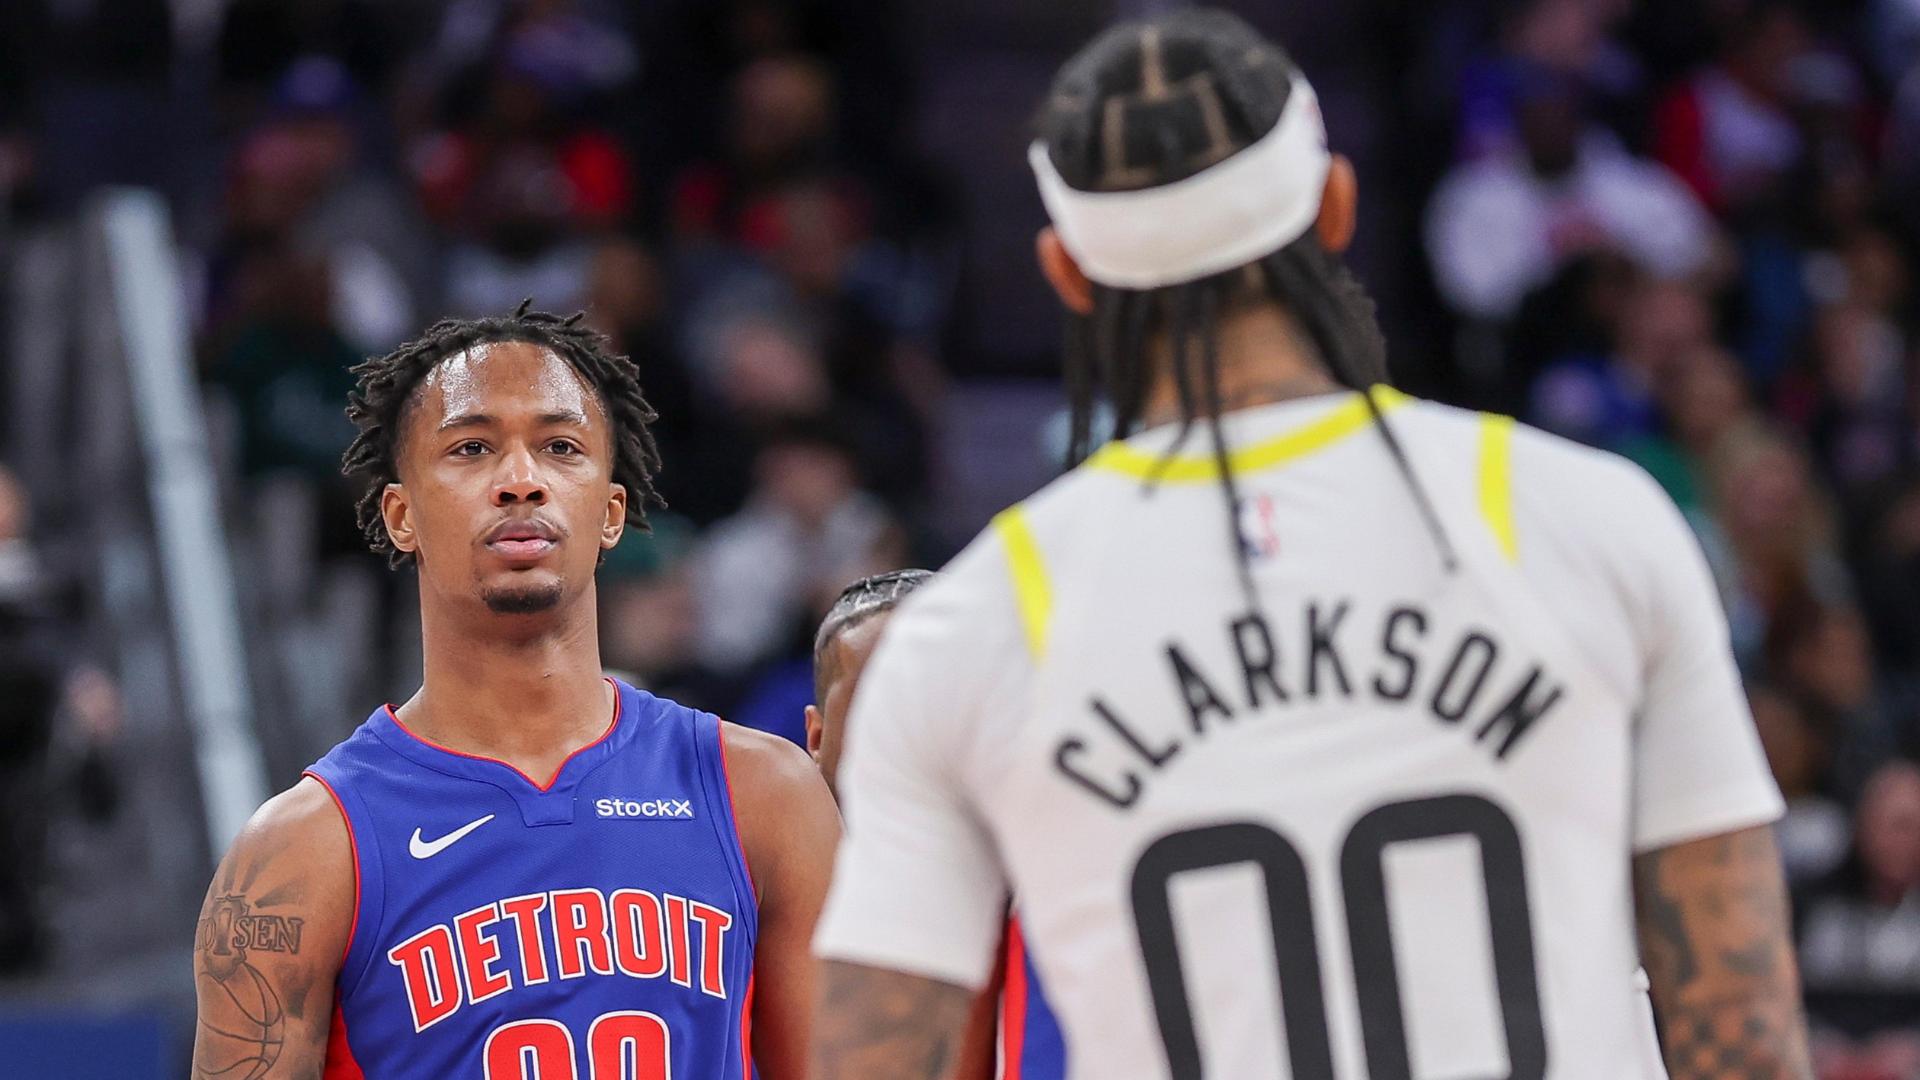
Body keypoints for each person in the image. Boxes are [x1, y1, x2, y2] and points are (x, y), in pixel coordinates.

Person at [811, 11, 1809, 1080]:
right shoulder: (1585, 519)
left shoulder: (979, 622)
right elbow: (1736, 1023)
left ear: (1067, 273)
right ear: (1336, 206)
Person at [191, 305, 840, 1078]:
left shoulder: (764, 793)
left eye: (561, 447)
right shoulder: (300, 851)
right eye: (472, 448)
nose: (521, 481)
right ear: (399, 516)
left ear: (610, 512)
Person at [805, 569, 1065, 1080]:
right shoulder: (759, 905)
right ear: (816, 737)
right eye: (879, 706)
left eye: (945, 703)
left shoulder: (1061, 902)